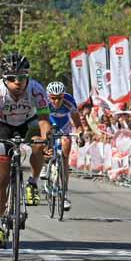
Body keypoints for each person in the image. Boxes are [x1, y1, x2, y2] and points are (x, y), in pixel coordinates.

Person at [0, 52, 51, 248]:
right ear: (5, 79)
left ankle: (33, 182)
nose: (17, 82)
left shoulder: (37, 90)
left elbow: (44, 120)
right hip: (2, 126)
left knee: (39, 142)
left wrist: (47, 138)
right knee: (1, 177)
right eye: (12, 78)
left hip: (28, 124)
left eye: (22, 77)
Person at [43, 81, 84, 210]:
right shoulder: (44, 101)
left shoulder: (69, 101)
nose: (56, 101)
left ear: (63, 96)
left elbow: (77, 123)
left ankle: (64, 193)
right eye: (53, 98)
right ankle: (45, 165)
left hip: (64, 124)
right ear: (49, 96)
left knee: (65, 153)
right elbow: (39, 121)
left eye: (59, 98)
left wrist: (80, 136)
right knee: (45, 142)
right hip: (48, 122)